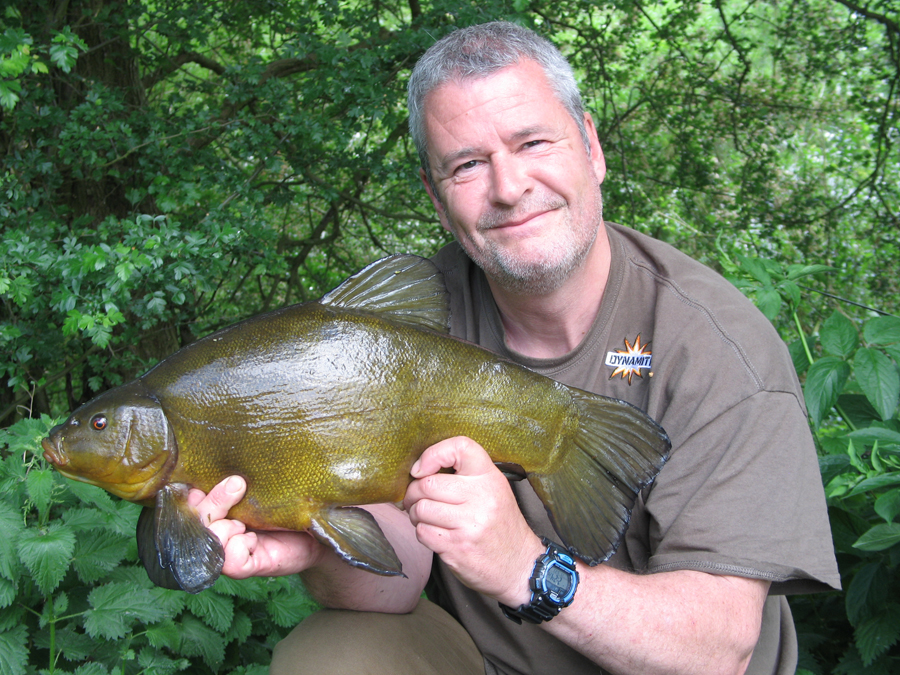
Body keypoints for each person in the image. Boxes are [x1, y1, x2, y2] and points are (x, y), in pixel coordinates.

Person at [190, 21, 840, 675]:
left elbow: (717, 651)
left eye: (532, 142)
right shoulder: (404, 327)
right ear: (436, 199)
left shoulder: (715, 346)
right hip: (488, 662)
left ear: (591, 146)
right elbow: (393, 582)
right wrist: (320, 542)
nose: (508, 186)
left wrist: (527, 569)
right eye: (468, 164)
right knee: (332, 655)